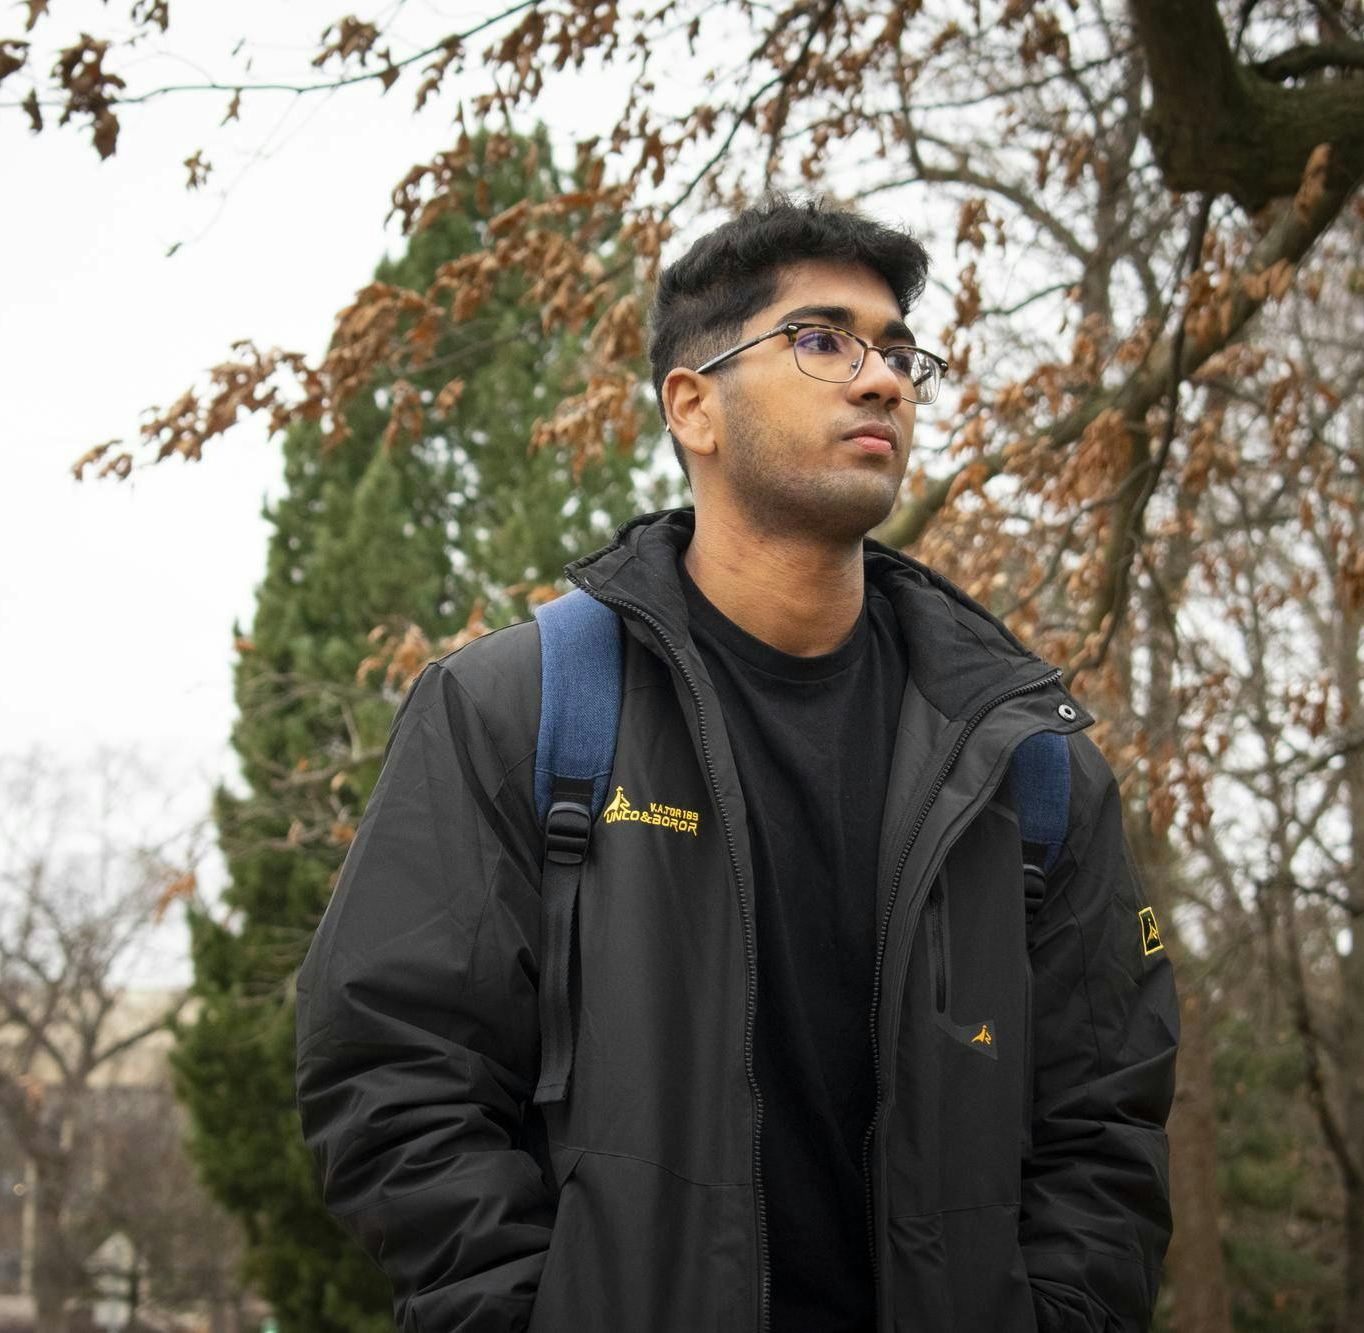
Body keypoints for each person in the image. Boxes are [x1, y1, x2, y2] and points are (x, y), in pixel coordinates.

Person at [295, 198, 1179, 1332]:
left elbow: (1106, 1117)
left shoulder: (1025, 763)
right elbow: (389, 1067)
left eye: (898, 349)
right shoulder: (515, 712)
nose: (883, 381)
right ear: (692, 405)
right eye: (822, 339)